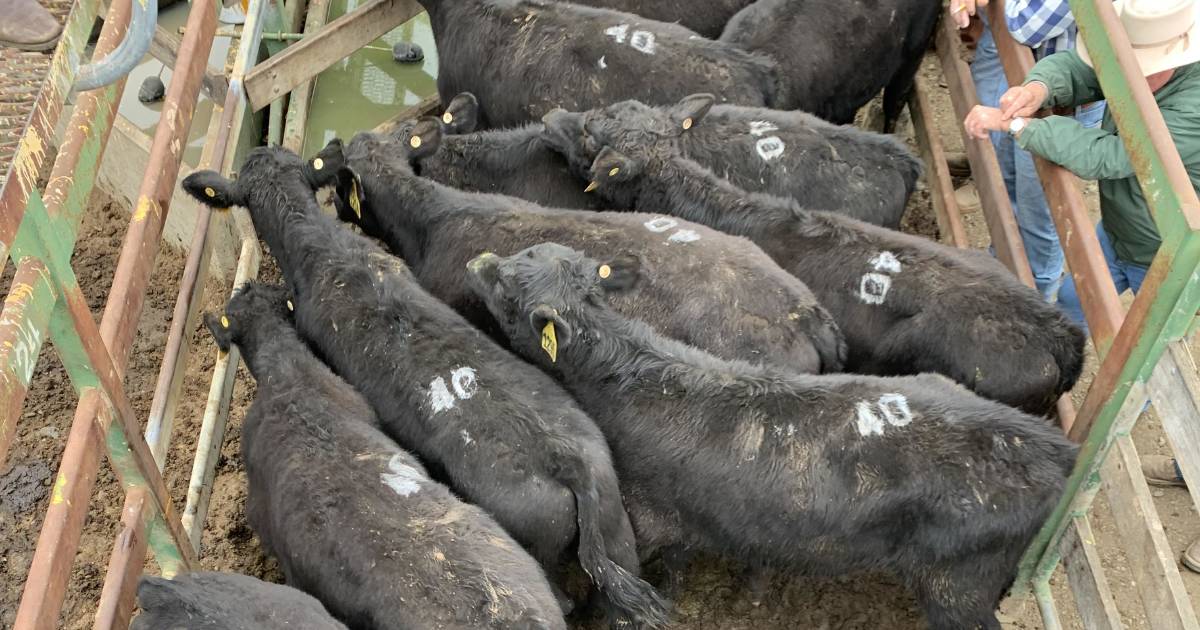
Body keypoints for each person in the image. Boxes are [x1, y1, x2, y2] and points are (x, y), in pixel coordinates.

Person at [964, 0, 1200, 571]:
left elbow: (1108, 153)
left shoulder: (1193, 111)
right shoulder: (1146, 65)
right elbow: (1085, 71)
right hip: (1127, 233)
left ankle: (1188, 470)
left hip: (1172, 261)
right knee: (1071, 307)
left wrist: (1018, 126)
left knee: (1162, 387)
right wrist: (1039, 88)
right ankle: (1048, 405)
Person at [953, 0, 1106, 301]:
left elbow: (1026, 23)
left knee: (1040, 212)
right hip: (1031, 79)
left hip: (1063, 103)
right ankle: (1002, 274)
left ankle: (1034, 302)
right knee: (1010, 183)